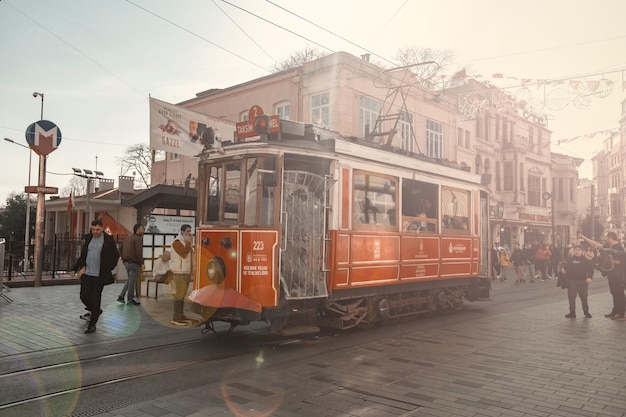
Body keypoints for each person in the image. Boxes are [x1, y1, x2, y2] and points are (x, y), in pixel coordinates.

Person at [72, 219, 120, 334]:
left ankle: (92, 324)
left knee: (95, 298)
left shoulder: (108, 241)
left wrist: (108, 268)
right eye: (93, 229)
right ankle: (96, 311)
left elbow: (115, 256)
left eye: (98, 229)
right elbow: (83, 255)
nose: (95, 232)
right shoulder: (88, 238)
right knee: (83, 296)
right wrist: (78, 267)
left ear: (102, 228)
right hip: (87, 274)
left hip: (99, 276)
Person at [579, 231, 626, 320]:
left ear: (611, 237)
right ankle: (615, 311)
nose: (606, 239)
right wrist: (584, 237)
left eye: (607, 237)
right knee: (613, 292)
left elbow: (622, 261)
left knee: (619, 292)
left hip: (618, 275)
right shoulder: (608, 246)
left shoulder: (619, 247)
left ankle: (621, 312)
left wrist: (609, 261)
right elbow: (596, 244)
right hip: (611, 274)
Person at [170, 224, 193, 325]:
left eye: (190, 231)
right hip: (179, 272)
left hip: (186, 271)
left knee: (183, 294)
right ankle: (176, 317)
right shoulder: (177, 242)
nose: (190, 233)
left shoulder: (186, 242)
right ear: (182, 232)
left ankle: (181, 314)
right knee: (179, 295)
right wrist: (188, 243)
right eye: (188, 231)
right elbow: (183, 254)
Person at [562, 245, 594, 318]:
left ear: (582, 251)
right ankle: (572, 312)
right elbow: (565, 267)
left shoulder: (586, 260)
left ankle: (586, 311)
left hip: (583, 281)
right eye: (576, 250)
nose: (577, 251)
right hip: (572, 280)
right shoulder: (570, 259)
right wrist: (563, 270)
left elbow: (590, 270)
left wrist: (590, 277)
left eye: (579, 250)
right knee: (571, 297)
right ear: (574, 251)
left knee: (584, 297)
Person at [117, 224, 144, 305]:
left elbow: (120, 248)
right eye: (142, 229)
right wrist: (141, 262)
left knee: (130, 280)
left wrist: (122, 257)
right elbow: (139, 252)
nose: (143, 231)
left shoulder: (127, 237)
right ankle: (130, 298)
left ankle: (121, 296)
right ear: (138, 229)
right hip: (134, 262)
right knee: (132, 281)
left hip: (126, 262)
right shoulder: (138, 239)